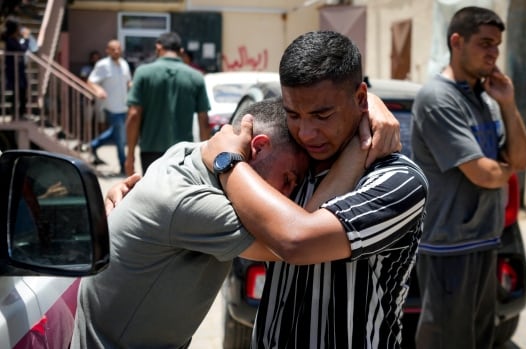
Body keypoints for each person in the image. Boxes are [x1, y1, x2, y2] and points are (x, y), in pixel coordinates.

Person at [201, 30, 428, 348]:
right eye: (293, 115)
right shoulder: (286, 166)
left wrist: (228, 163)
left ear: (360, 98)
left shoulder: (399, 182)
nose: (306, 132)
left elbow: (297, 242)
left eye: (322, 115)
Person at [72, 98, 350, 349]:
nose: (288, 193)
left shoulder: (185, 153)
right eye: (289, 178)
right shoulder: (194, 204)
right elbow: (298, 240)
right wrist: (359, 150)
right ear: (259, 146)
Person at [411, 6, 526, 349]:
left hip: (485, 240)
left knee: (479, 340)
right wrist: (500, 170)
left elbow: (518, 160)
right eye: (485, 43)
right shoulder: (438, 98)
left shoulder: (486, 98)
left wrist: (508, 104)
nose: (493, 53)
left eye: (497, 46)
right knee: (447, 341)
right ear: (457, 42)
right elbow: (484, 174)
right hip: (449, 247)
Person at [125, 31, 211, 176]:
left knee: (153, 194)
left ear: (158, 48)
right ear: (181, 51)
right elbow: (204, 120)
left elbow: (134, 115)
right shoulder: (196, 77)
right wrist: (206, 158)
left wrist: (130, 155)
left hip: (150, 151)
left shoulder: (143, 73)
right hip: (183, 152)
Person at [87, 40, 132, 173]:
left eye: (118, 49)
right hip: (111, 107)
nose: (116, 51)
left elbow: (128, 82)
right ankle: (123, 165)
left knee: (116, 133)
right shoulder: (102, 64)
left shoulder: (124, 64)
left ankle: (93, 145)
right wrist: (98, 90)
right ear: (107, 50)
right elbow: (90, 81)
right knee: (120, 138)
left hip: (124, 106)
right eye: (113, 49)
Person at [2, 18, 32, 119]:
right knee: (18, 92)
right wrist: (27, 38)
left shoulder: (14, 39)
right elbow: (21, 50)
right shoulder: (10, 40)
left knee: (22, 91)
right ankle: (17, 114)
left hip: (18, 71)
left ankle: (20, 113)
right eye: (18, 27)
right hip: (14, 71)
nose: (20, 29)